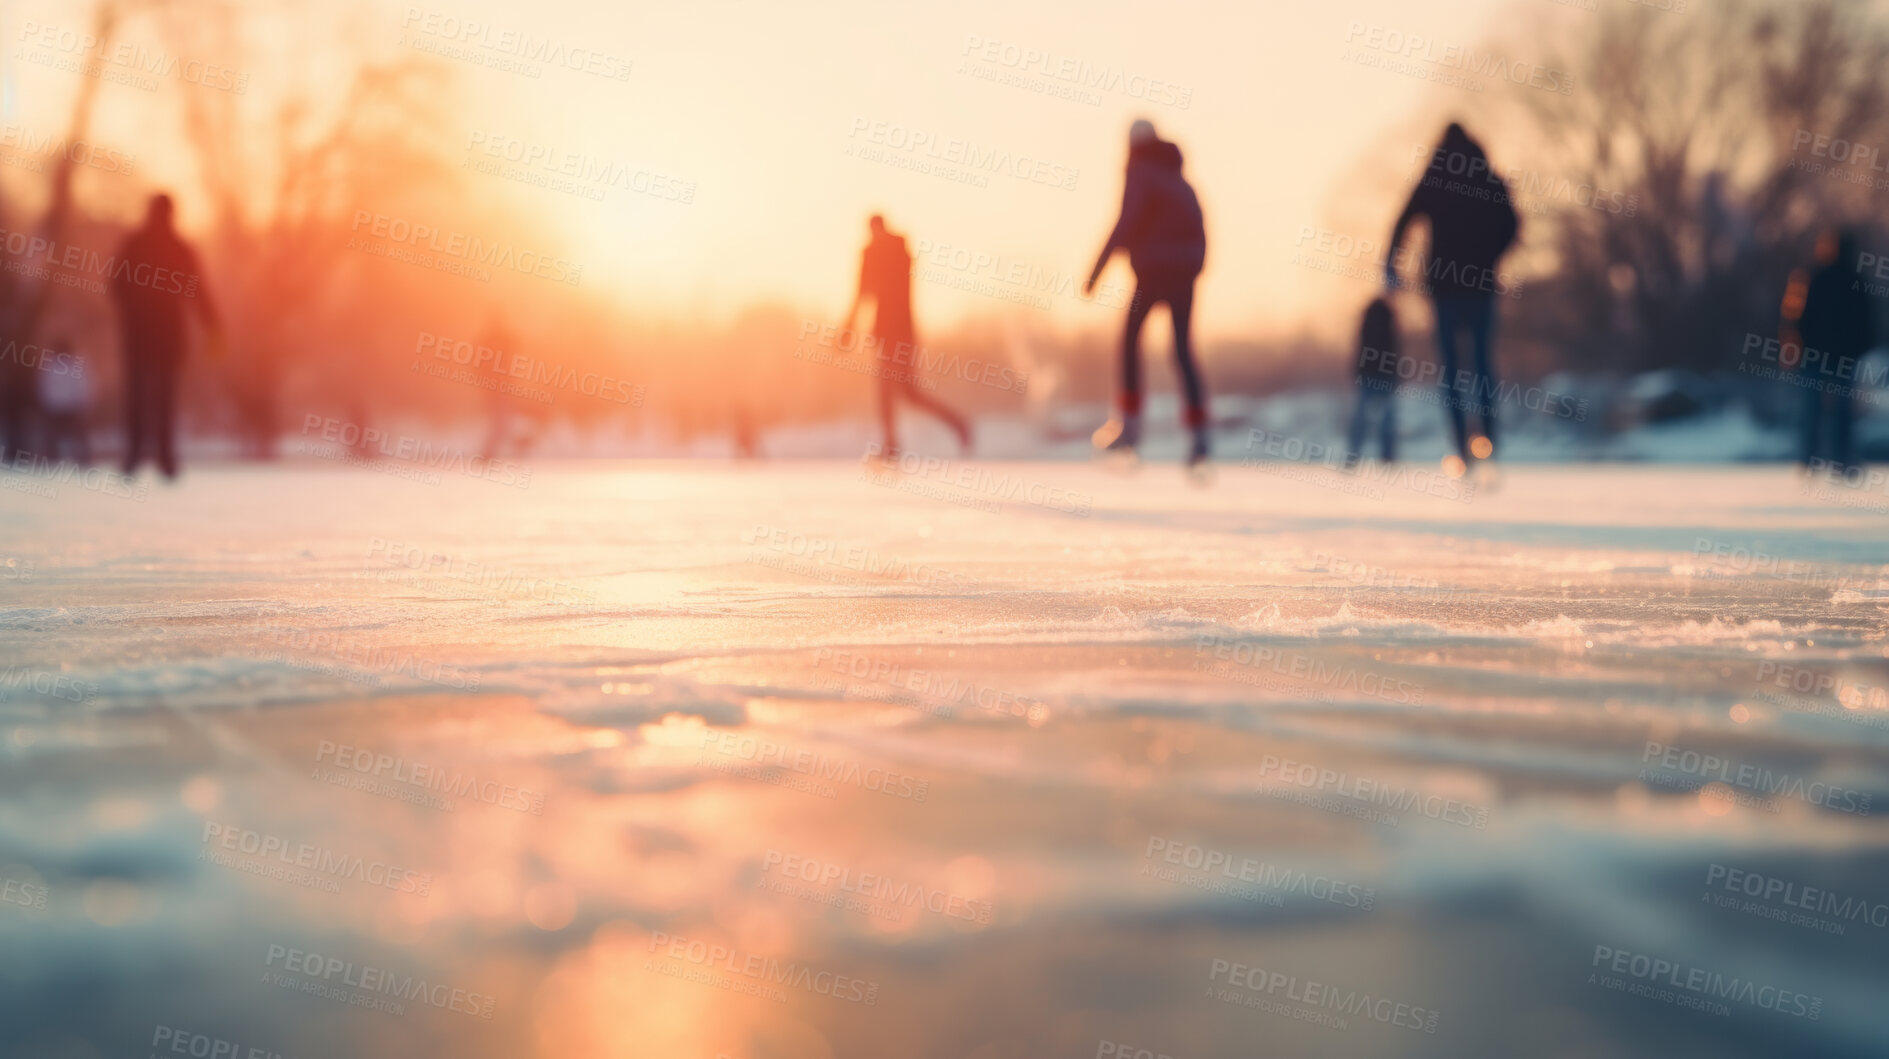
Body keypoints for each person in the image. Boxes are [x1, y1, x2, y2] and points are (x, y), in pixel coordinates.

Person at [1385, 123, 1518, 472]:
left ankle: (1462, 444)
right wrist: (1492, 256)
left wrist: (1392, 264)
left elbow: (1403, 219)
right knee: (1483, 365)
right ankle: (1487, 436)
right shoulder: (1486, 175)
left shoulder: (1436, 175)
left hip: (1444, 288)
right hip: (1481, 286)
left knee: (1453, 372)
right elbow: (1512, 223)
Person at [1085, 118, 1210, 467]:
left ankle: (1131, 428)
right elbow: (1198, 226)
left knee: (1129, 343)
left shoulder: (1139, 170)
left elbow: (1126, 220)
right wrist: (1193, 266)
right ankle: (1200, 432)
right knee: (1182, 351)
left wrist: (1096, 271)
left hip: (1155, 270)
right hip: (1184, 270)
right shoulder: (1175, 175)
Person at [842, 214, 971, 456]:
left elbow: (863, 294)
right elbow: (866, 293)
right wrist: (849, 327)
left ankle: (898, 442)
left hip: (895, 331)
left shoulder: (884, 253)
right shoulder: (897, 252)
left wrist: (848, 328)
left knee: (896, 391)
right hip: (897, 331)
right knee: (899, 391)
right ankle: (955, 425)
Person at [112, 193, 220, 478]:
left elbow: (115, 284)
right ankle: (165, 457)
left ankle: (135, 455)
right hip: (168, 336)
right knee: (165, 398)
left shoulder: (135, 244)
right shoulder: (180, 248)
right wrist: (213, 327)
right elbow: (199, 292)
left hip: (138, 335)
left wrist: (133, 309)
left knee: (137, 396)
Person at [1782, 228, 1872, 474]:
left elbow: (1796, 318)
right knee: (1835, 410)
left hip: (1817, 356)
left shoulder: (1813, 277)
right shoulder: (1853, 280)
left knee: (1815, 410)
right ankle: (1837, 458)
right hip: (1837, 357)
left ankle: (1810, 459)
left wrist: (1796, 348)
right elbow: (1866, 323)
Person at [1345, 297, 1401, 467]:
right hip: (1380, 375)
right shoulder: (1389, 322)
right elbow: (1395, 349)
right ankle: (1386, 456)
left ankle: (1355, 455)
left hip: (1372, 374)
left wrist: (1358, 371)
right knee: (1384, 419)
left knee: (1364, 418)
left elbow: (1360, 350)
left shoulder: (1368, 322)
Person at [35, 340, 91, 465]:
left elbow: (44, 386)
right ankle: (55, 458)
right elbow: (44, 386)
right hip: (63, 406)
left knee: (76, 435)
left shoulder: (52, 365)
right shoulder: (52, 365)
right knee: (59, 435)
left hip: (64, 405)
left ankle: (81, 458)